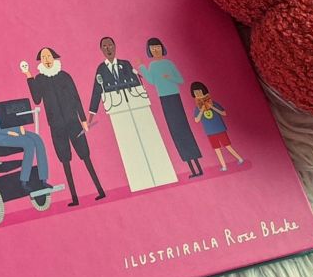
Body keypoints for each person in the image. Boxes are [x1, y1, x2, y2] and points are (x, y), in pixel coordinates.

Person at [88, 36, 176, 192]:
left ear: (115, 46)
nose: (108, 49)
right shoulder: (101, 69)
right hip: (118, 111)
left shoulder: (126, 64)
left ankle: (164, 175)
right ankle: (139, 182)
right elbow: (96, 91)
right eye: (105, 46)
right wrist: (91, 115)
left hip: (137, 106)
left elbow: (136, 81)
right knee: (129, 148)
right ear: (101, 50)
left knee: (150, 141)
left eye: (110, 45)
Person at [23, 47, 105, 206]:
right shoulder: (39, 79)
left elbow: (76, 98)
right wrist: (29, 76)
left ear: (54, 57)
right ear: (40, 60)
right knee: (65, 160)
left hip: (73, 122)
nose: (46, 59)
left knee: (85, 155)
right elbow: (37, 100)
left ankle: (100, 190)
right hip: (56, 126)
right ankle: (74, 198)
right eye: (43, 57)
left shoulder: (65, 76)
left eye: (48, 56)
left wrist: (83, 120)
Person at [137, 37, 203, 177]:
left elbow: (180, 80)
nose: (155, 50)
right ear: (149, 51)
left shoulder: (168, 63)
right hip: (164, 99)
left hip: (174, 97)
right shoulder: (152, 65)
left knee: (184, 128)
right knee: (175, 132)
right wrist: (142, 67)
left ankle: (198, 167)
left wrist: (169, 77)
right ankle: (192, 168)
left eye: (157, 47)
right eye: (152, 48)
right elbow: (151, 81)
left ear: (162, 47)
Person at [0, 88, 50, 191]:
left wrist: (19, 129)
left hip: (12, 132)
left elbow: (11, 122)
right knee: (28, 143)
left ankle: (43, 179)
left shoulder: (0, 109)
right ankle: (24, 181)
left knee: (37, 139)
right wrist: (8, 132)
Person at [191, 82, 245, 172]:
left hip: (220, 129)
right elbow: (196, 120)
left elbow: (224, 113)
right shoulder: (197, 108)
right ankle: (224, 166)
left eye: (200, 92)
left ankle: (240, 158)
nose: (199, 95)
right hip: (210, 132)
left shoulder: (214, 103)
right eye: (196, 93)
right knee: (217, 149)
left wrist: (212, 107)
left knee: (228, 146)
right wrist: (202, 110)